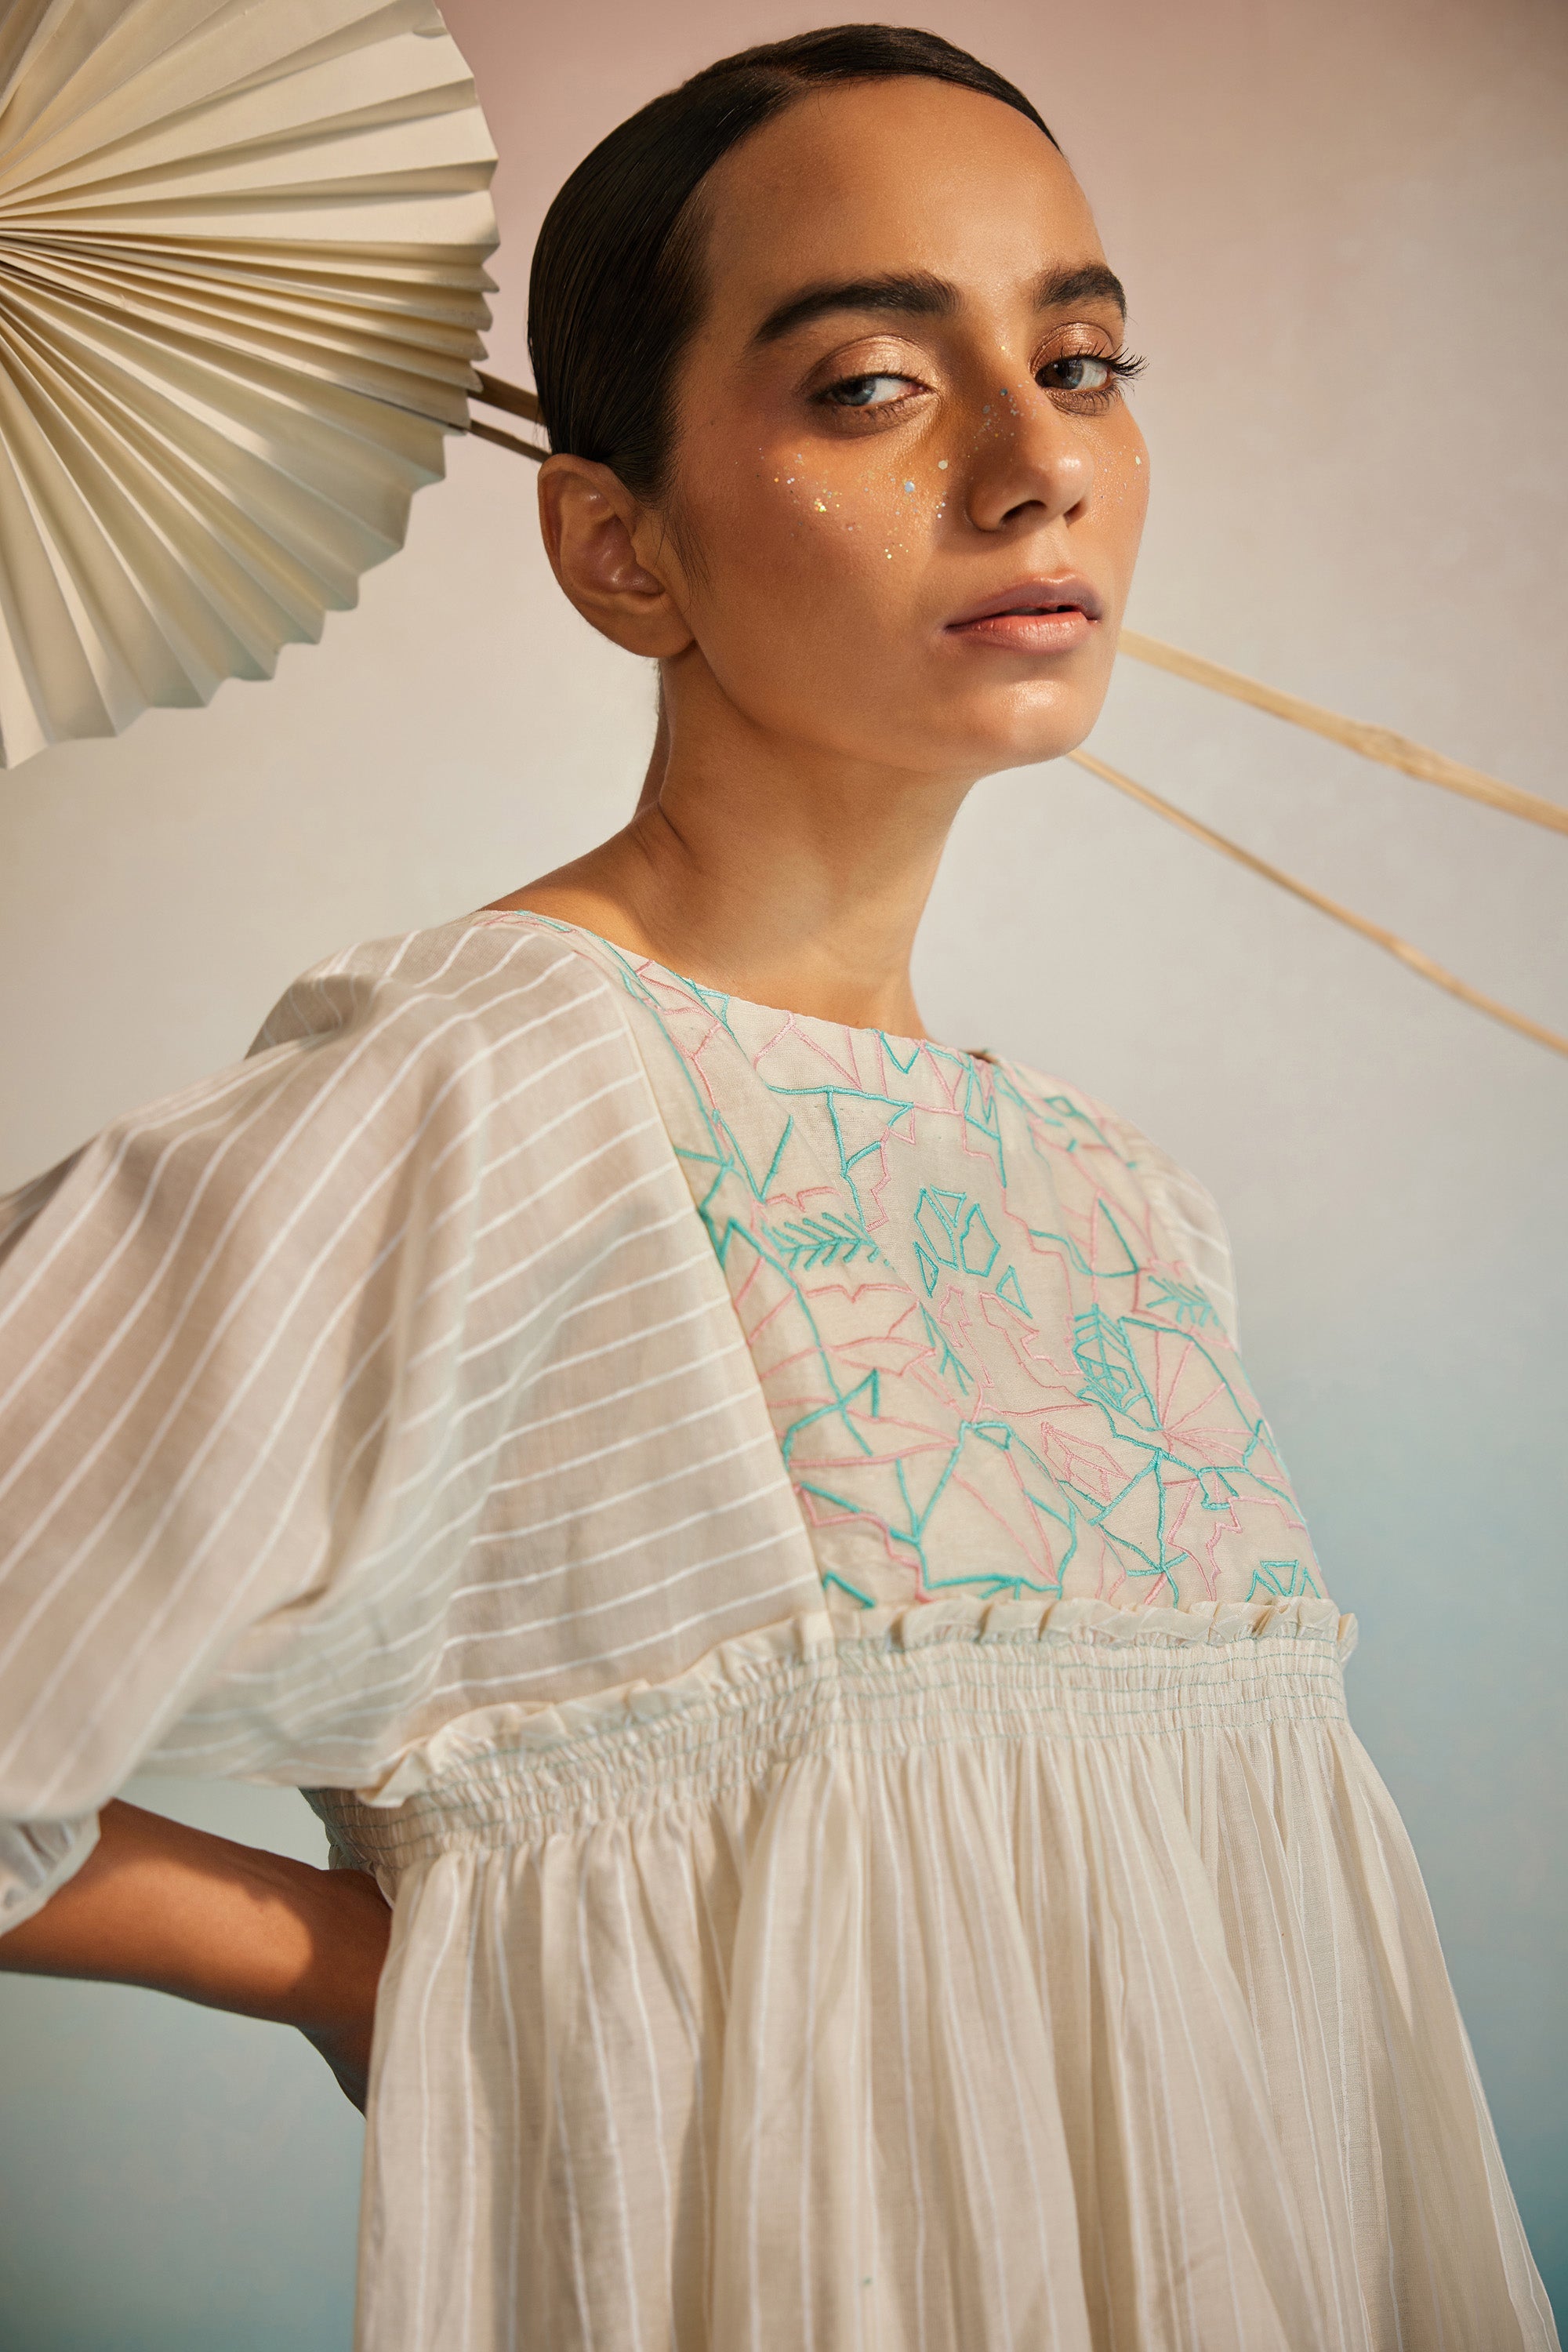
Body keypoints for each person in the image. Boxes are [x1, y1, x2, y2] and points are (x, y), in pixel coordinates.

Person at [0, 25, 1554, 2351]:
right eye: (871, 387)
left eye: (1083, 361)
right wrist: (348, 1967)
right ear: (615, 544)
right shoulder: (481, 1094)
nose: (1038, 466)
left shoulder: (1120, 1201)